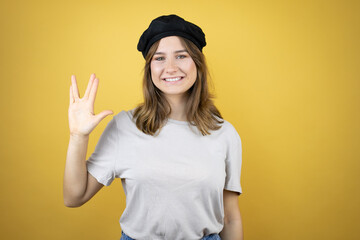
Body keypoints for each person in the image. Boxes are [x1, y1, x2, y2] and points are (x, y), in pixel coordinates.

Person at [64, 14, 244, 240]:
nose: (170, 67)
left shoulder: (225, 134)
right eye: (159, 58)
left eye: (181, 56)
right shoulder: (125, 126)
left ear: (197, 63)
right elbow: (74, 197)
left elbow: (230, 218)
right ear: (149, 68)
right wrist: (78, 136)